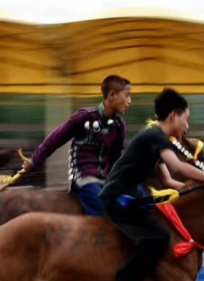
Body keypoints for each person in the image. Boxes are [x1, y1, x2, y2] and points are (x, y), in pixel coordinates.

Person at [99, 88, 204, 281]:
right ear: (173, 115)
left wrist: (203, 193)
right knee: (159, 237)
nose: (187, 127)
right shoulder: (155, 136)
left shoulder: (155, 140)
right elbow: (177, 166)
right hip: (117, 199)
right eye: (186, 119)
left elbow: (170, 181)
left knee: (162, 231)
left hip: (130, 198)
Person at [18, 75, 132, 216]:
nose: (129, 101)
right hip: (84, 179)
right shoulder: (84, 116)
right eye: (127, 96)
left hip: (104, 182)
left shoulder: (119, 126)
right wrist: (34, 161)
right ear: (112, 95)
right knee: (104, 214)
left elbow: (115, 160)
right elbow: (55, 139)